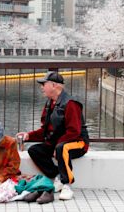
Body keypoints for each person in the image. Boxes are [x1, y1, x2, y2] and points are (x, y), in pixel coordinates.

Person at [16, 71, 89, 201]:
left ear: (54, 85)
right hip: (58, 143)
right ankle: (58, 176)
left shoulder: (71, 103)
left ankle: (66, 184)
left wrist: (56, 146)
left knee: (62, 148)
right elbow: (45, 130)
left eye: (44, 84)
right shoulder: (50, 103)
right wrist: (28, 136)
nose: (41, 87)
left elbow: (74, 131)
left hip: (77, 142)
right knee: (35, 150)